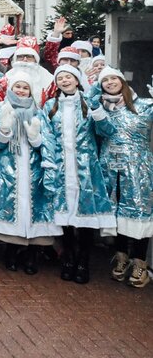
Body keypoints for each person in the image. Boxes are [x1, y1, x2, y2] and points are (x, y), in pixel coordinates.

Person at [40, 65, 116, 284]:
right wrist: (49, 161)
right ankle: (68, 258)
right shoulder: (50, 106)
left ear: (77, 80)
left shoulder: (90, 103)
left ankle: (83, 261)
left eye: (69, 77)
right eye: (60, 77)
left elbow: (106, 132)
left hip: (86, 170)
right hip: (61, 168)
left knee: (85, 219)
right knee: (64, 218)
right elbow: (47, 136)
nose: (64, 80)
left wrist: (98, 111)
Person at [0, 74, 61, 274]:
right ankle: (11, 251)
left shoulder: (39, 113)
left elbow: (48, 144)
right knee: (14, 208)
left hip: (34, 169)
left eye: (25, 88)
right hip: (9, 169)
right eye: (17, 87)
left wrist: (35, 138)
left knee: (34, 209)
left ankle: (32, 255)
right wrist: (4, 129)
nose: (21, 91)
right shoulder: (2, 109)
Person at [93, 68, 153, 288]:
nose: (109, 83)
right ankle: (121, 258)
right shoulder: (101, 110)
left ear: (122, 81)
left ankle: (140, 263)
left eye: (113, 78)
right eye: (104, 81)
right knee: (116, 215)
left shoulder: (145, 105)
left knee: (138, 213)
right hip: (110, 169)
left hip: (138, 170)